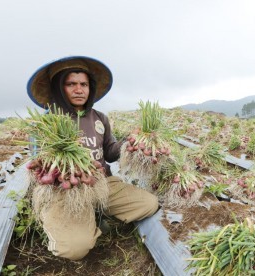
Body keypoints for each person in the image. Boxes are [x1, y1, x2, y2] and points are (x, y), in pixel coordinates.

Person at [27, 56, 159, 260]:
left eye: (84, 84)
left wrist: (129, 145)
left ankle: (96, 212)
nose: (79, 90)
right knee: (74, 250)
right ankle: (58, 217)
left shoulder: (99, 118)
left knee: (149, 204)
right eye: (71, 84)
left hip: (102, 183)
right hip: (67, 191)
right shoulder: (46, 123)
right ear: (59, 88)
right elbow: (39, 164)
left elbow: (110, 153)